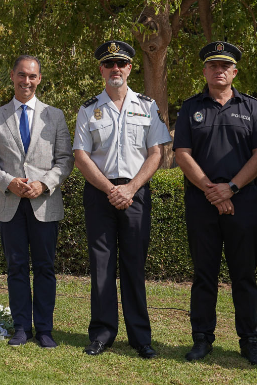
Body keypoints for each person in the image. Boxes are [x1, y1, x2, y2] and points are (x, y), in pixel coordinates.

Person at [173, 41, 257, 367]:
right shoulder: (190, 108)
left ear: (234, 72)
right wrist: (212, 190)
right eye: (212, 66)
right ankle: (202, 339)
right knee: (204, 274)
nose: (218, 71)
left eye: (224, 66)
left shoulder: (253, 108)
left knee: (244, 276)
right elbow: (182, 155)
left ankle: (250, 342)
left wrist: (230, 188)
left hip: (243, 202)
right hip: (202, 204)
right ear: (205, 70)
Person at [73, 40, 171, 359]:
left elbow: (156, 152)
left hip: (136, 193)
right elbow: (81, 156)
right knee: (101, 266)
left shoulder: (147, 105)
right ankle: (102, 334)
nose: (116, 69)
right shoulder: (88, 109)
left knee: (133, 265)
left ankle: (141, 338)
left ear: (130, 68)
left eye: (121, 63)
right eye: (109, 64)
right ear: (101, 69)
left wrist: (130, 188)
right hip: (100, 194)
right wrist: (110, 189)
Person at [0, 56, 74, 348]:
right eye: (22, 75)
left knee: (45, 267)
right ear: (12, 76)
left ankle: (44, 329)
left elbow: (65, 160)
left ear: (40, 79)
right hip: (10, 204)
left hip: (44, 204)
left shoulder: (55, 116)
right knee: (16, 267)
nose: (26, 81)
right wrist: (8, 182)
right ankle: (21, 327)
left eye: (32, 76)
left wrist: (43, 184)